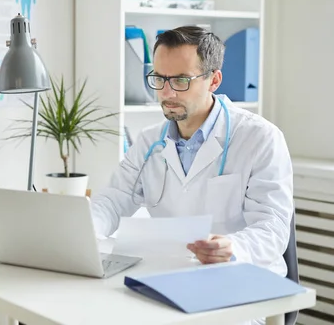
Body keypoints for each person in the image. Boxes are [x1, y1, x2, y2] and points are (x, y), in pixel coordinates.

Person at [90, 26, 293, 277]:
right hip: (171, 273)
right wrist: (85, 230)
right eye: (159, 78)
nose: (166, 92)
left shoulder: (260, 137)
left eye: (180, 80)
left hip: (241, 276)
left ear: (214, 80)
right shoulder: (150, 140)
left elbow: (272, 227)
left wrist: (234, 247)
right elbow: (113, 199)